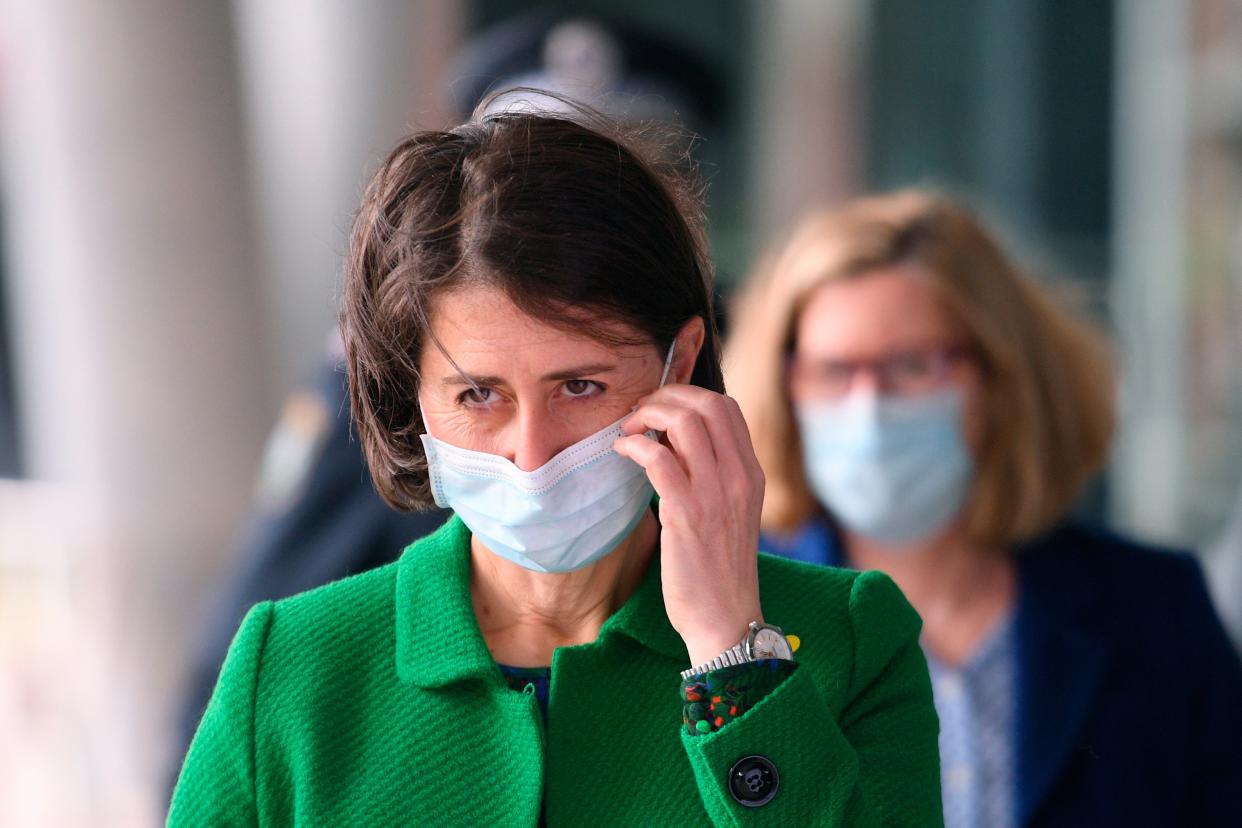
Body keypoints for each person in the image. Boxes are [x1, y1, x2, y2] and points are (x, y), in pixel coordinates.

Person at [167, 103, 942, 825]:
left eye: (579, 386)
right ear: (414, 394)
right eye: (478, 394)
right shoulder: (296, 664)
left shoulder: (850, 639)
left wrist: (733, 654)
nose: (532, 453)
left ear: (682, 365)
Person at [725, 190, 1242, 827]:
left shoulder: (1154, 608)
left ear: (1001, 379)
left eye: (912, 365)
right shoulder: (730, 619)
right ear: (785, 386)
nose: (869, 408)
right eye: (833, 371)